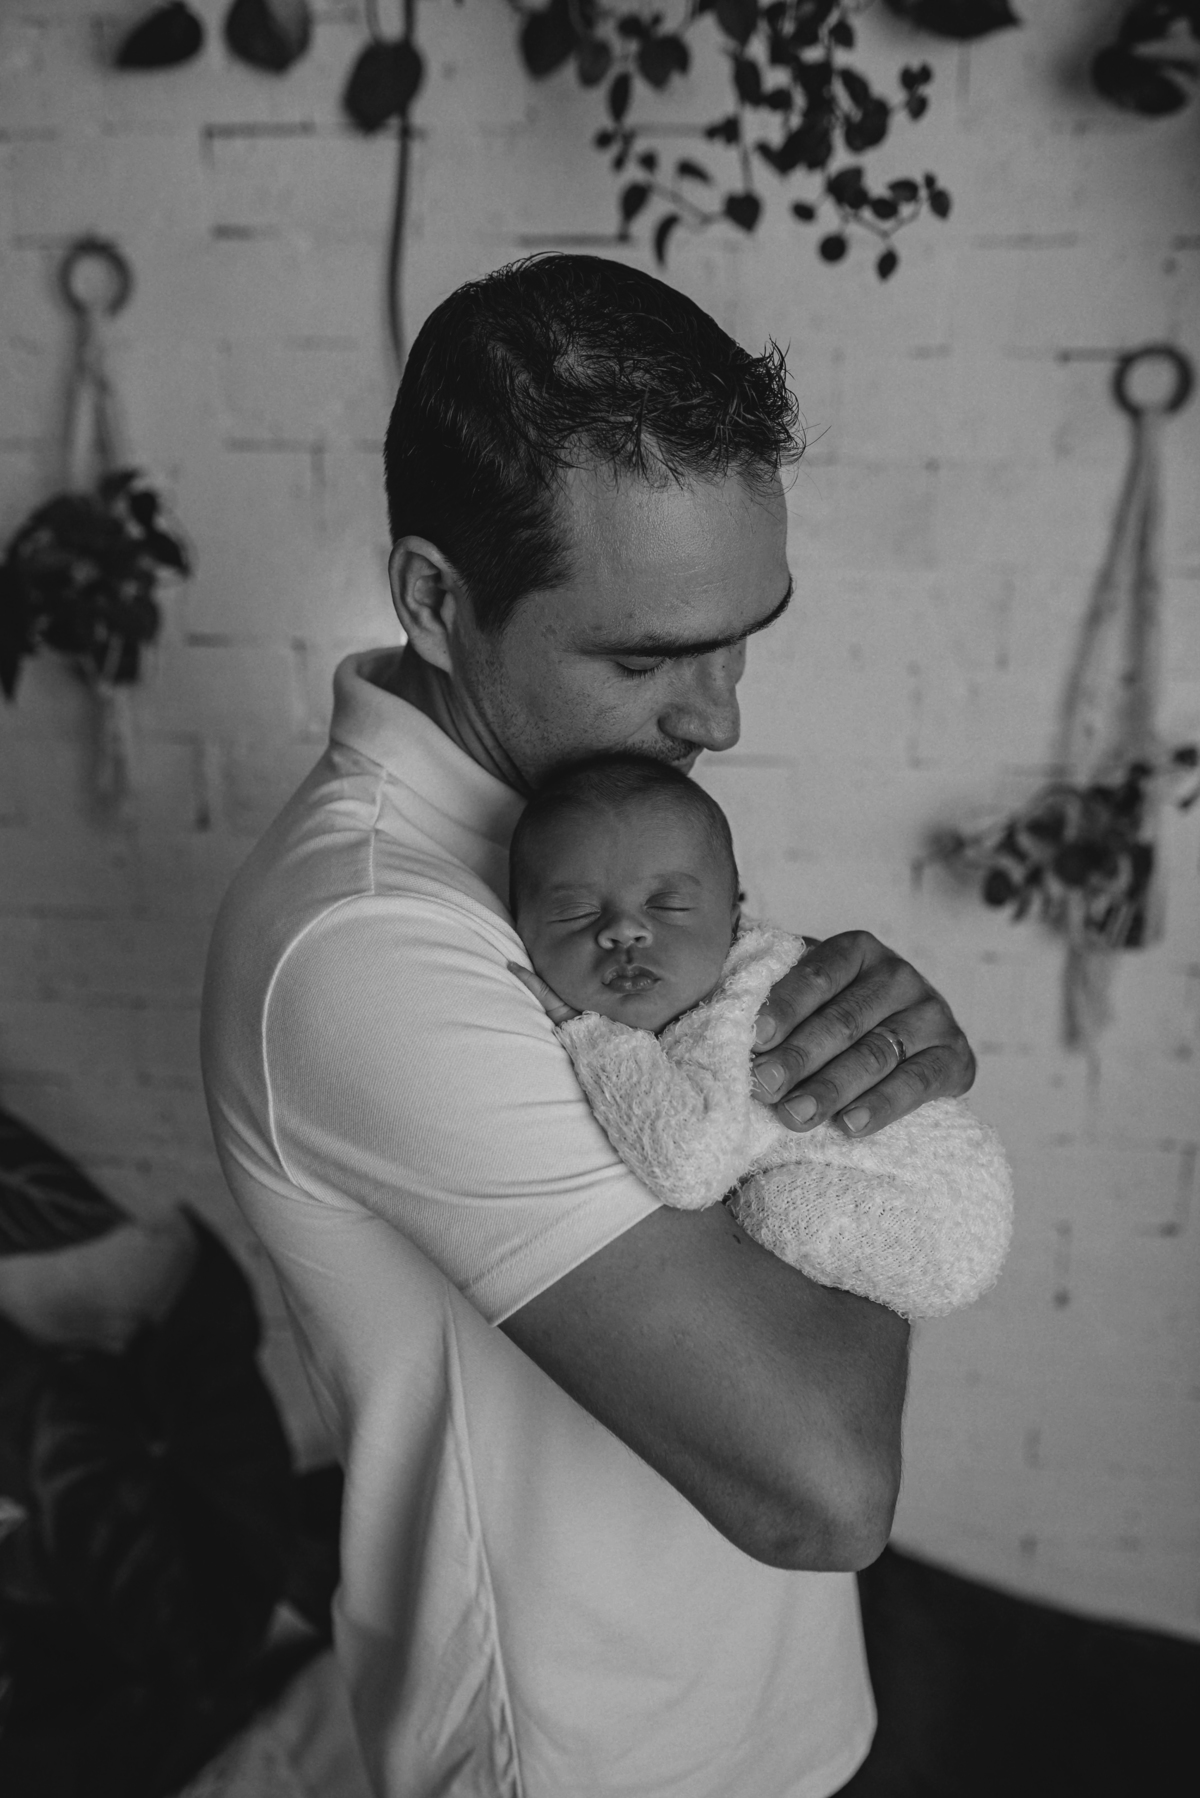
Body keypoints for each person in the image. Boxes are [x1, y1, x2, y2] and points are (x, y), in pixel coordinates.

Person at [200, 254, 977, 1798]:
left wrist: (862, 1068)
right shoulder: (375, 944)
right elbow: (823, 1485)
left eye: (742, 633)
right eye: (647, 656)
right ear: (436, 600)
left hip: (776, 1719)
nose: (721, 714)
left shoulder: (585, 831)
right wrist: (863, 1123)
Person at [507, 752, 1012, 1321]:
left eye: (668, 905)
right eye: (575, 913)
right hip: (934, 1200)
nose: (625, 930)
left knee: (770, 1214)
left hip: (934, 1212)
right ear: (516, 928)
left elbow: (689, 1165)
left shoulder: (734, 1010)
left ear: (732, 919)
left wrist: (589, 1034)